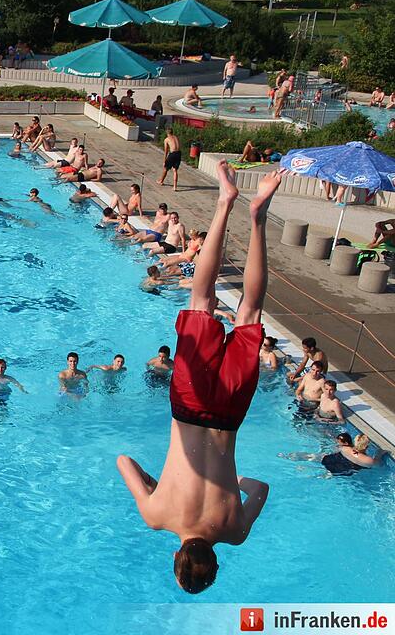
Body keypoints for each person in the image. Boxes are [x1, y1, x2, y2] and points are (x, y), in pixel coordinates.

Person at [117, 163, 281, 594]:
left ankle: (258, 215)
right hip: (188, 406)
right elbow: (124, 462)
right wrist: (158, 486)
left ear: (215, 562)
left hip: (228, 414)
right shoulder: (156, 516)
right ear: (176, 559)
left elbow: (261, 488)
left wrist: (233, 482)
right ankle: (225, 202)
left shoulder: (235, 531)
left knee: (249, 313)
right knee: (201, 301)